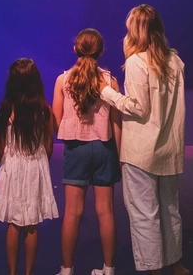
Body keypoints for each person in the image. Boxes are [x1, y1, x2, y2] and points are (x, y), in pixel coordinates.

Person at [99, 5, 189, 275]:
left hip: (141, 152)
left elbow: (138, 107)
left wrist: (107, 93)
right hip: (169, 150)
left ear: (135, 31)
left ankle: (152, 270)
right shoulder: (175, 61)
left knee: (144, 215)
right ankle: (177, 266)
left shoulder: (138, 62)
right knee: (170, 211)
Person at [51, 29, 122, 275]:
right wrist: (120, 156)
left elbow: (57, 121)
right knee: (106, 211)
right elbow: (116, 122)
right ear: (101, 51)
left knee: (72, 212)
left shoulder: (63, 80)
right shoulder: (110, 81)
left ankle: (67, 269)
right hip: (105, 149)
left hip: (76, 149)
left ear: (75, 49)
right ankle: (109, 268)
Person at [0, 58, 59, 275]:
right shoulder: (44, 109)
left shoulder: (6, 107)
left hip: (13, 167)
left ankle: (12, 273)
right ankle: (28, 273)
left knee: (13, 223)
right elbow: (48, 145)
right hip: (35, 167)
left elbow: (1, 140)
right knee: (31, 224)